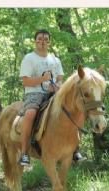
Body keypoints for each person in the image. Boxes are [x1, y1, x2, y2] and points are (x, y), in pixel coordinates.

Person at [18, 29, 83, 166]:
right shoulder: (29, 58)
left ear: (49, 42)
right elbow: (25, 81)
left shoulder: (55, 59)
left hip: (55, 93)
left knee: (76, 110)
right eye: (40, 39)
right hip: (34, 93)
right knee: (30, 114)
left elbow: (59, 78)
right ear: (35, 41)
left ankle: (75, 148)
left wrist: (57, 86)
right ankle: (24, 153)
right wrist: (42, 79)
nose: (43, 41)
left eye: (46, 39)